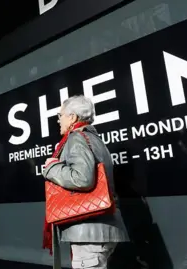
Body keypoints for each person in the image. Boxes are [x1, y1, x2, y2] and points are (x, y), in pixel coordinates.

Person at [42, 95, 128, 269]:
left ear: (72, 117)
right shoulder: (96, 140)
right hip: (100, 230)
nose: (58, 121)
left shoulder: (77, 138)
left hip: (89, 233)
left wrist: (51, 167)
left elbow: (83, 179)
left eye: (60, 116)